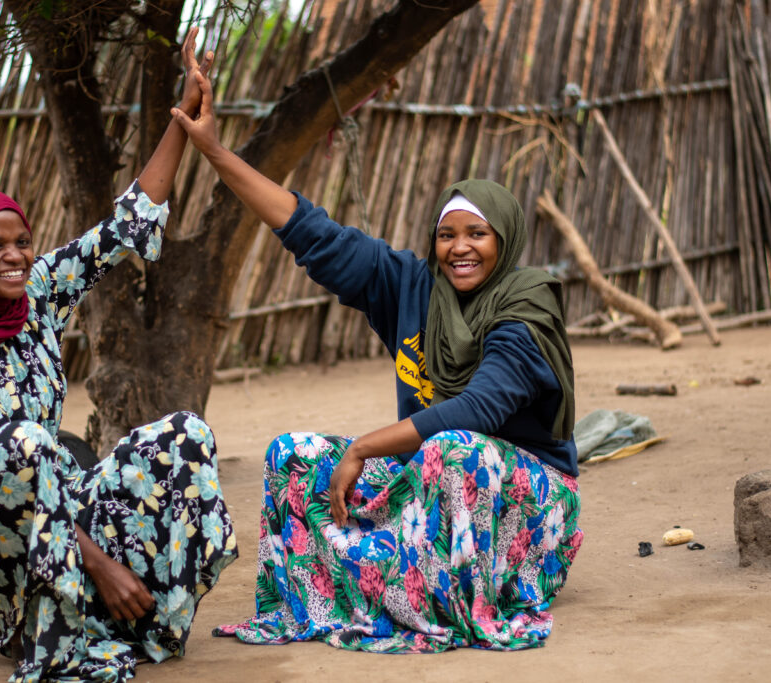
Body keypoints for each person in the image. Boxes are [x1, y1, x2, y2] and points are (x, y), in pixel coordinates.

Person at [170, 67, 582, 652]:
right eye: (447, 234)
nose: (459, 248)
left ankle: (451, 602)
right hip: (433, 480)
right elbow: (309, 231)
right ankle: (342, 596)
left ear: (505, 240)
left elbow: (480, 408)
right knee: (295, 453)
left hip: (527, 506)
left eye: (477, 234)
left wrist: (363, 447)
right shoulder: (411, 287)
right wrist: (212, 150)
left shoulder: (525, 304)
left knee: (454, 448)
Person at [0, 29, 237, 682]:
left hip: (59, 501)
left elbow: (124, 224)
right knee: (30, 444)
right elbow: (14, 468)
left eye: (21, 241)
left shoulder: (37, 295)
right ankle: (57, 655)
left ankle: (150, 623)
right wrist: (103, 565)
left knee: (185, 435)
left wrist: (183, 109)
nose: (15, 257)